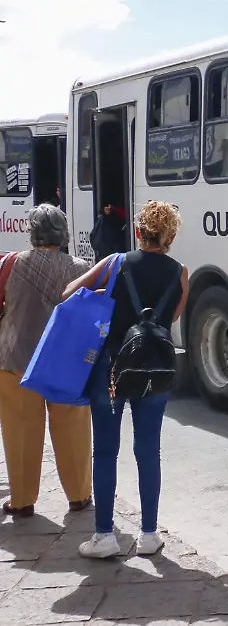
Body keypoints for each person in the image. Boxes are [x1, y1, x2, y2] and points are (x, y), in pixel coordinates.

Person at [64, 201, 189, 558]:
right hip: (155, 370)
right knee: (148, 450)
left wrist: (105, 295)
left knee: (106, 450)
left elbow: (68, 293)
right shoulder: (180, 273)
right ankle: (149, 535)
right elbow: (170, 318)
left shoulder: (115, 262)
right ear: (170, 236)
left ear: (138, 232)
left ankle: (105, 536)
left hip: (112, 369)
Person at [0, 205, 94, 518]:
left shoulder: (10, 264)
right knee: (72, 427)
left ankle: (22, 500)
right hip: (64, 362)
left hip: (16, 357)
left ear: (31, 233)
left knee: (20, 429)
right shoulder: (80, 268)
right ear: (63, 234)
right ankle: (79, 495)